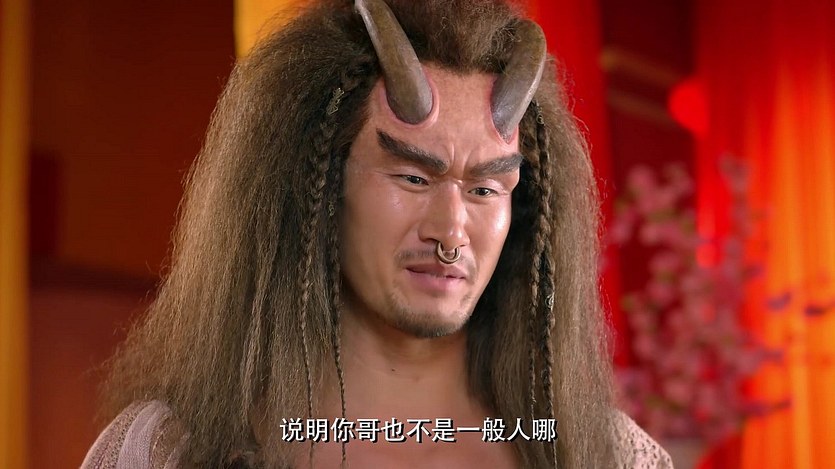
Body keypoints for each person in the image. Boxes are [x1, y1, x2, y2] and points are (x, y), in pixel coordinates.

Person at [82, 0, 672, 467]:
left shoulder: (609, 457)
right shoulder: (165, 452)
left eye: (485, 189)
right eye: (414, 177)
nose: (450, 232)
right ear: (314, 186)